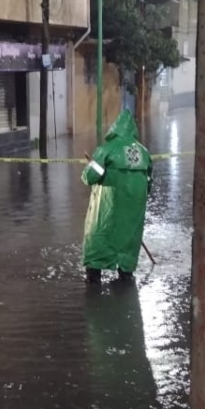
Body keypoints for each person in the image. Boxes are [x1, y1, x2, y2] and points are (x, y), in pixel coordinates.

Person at [81, 110, 152, 284]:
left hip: (108, 209)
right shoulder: (144, 153)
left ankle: (94, 279)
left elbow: (90, 177)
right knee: (128, 242)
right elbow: (149, 184)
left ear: (115, 129)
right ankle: (126, 276)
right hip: (133, 211)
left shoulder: (106, 150)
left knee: (99, 238)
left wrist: (89, 166)